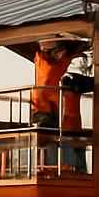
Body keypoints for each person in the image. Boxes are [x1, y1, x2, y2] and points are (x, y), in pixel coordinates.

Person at [31, 37, 87, 168]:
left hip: (49, 107)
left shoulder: (50, 63)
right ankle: (54, 167)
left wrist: (75, 51)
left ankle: (60, 166)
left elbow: (64, 59)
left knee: (57, 139)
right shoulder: (45, 64)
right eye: (59, 51)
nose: (61, 54)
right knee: (51, 140)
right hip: (45, 109)